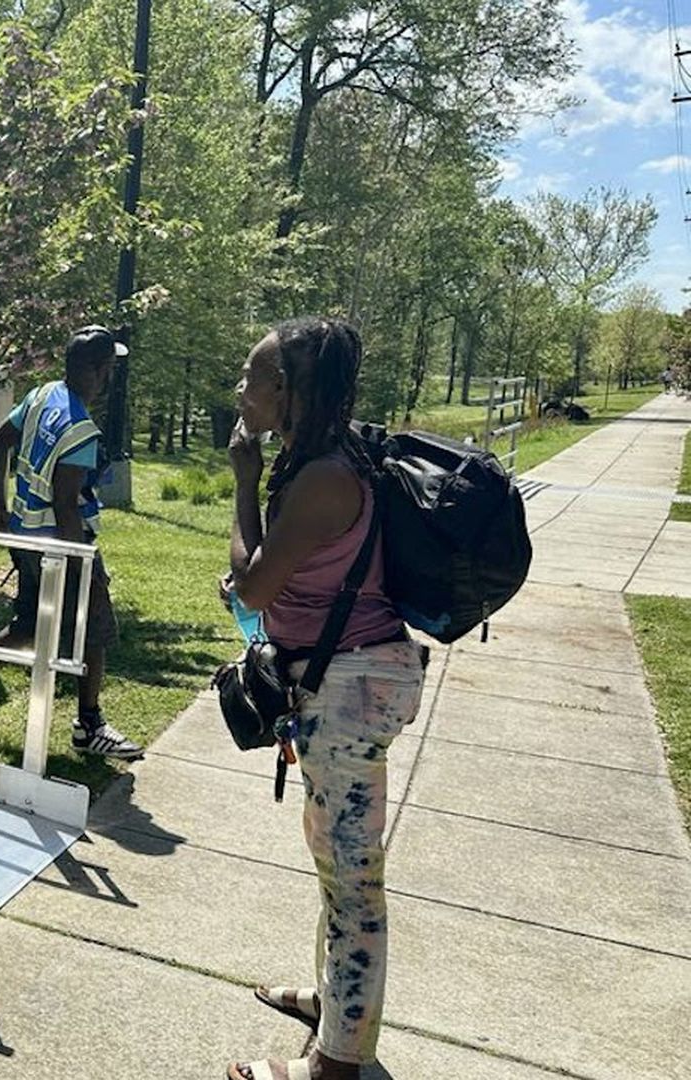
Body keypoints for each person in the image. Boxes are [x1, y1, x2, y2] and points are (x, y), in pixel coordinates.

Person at [223, 316, 427, 1080]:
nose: (241, 390)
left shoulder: (324, 477)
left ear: (288, 389)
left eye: (252, 376)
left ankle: (337, 1065)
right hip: (344, 680)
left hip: (351, 686)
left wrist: (243, 485)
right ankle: (336, 1003)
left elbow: (254, 583)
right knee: (335, 865)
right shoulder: (324, 461)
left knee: (353, 878)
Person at [0, 325, 143, 760]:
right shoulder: (81, 431)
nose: (109, 379)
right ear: (98, 372)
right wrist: (78, 562)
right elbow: (67, 505)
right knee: (94, 630)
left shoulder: (41, 395)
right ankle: (90, 726)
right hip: (62, 546)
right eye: (108, 369)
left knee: (27, 627)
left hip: (25, 539)